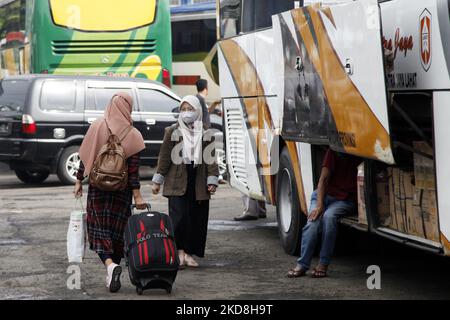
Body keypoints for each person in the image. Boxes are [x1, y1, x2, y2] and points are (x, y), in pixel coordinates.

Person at [73, 92, 146, 293]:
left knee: (98, 231)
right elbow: (133, 172)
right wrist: (138, 196)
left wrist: (79, 180)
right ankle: (113, 267)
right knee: (118, 233)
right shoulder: (134, 135)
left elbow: (84, 158)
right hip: (121, 193)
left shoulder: (97, 126)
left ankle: (110, 266)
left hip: (98, 190)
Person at [152, 95, 219, 268]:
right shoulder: (172, 131)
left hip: (198, 179)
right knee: (179, 218)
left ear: (197, 111)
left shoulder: (206, 133)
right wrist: (157, 180)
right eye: (183, 109)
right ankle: (179, 252)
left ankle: (189, 254)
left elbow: (211, 159)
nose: (187, 113)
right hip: (177, 180)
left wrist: (212, 180)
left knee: (196, 218)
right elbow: (165, 157)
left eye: (190, 109)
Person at [287, 148, 361, 278]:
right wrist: (320, 205)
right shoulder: (333, 152)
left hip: (344, 200)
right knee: (313, 223)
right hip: (323, 196)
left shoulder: (361, 152)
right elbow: (323, 180)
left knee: (329, 218)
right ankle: (303, 264)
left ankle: (323, 263)